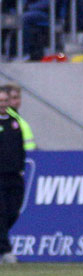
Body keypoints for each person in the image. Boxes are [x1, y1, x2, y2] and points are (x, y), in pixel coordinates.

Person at [0, 88, 26, 265]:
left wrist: (21, 167)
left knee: (13, 212)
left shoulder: (15, 121)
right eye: (0, 101)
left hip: (14, 175)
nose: (2, 104)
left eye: (5, 101)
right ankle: (5, 250)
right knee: (1, 213)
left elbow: (20, 146)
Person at [1, 83, 36, 150]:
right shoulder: (6, 118)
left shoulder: (16, 116)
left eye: (19, 97)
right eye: (14, 98)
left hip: (28, 154)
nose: (18, 101)